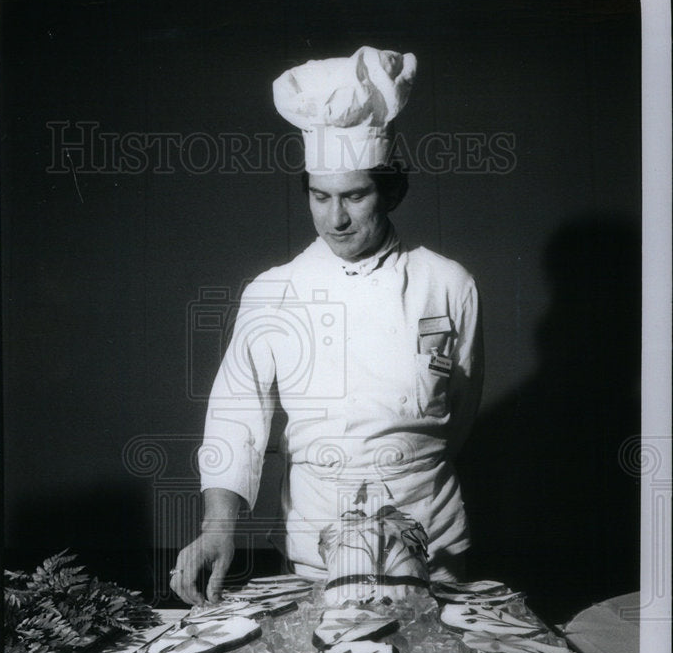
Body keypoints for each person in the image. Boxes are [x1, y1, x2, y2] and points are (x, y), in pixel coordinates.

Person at [171, 46, 483, 606]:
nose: (335, 218)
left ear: (390, 192)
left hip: (433, 543)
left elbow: (461, 407)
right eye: (320, 197)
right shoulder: (272, 292)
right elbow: (236, 417)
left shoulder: (448, 283)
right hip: (315, 550)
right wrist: (219, 528)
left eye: (354, 196)